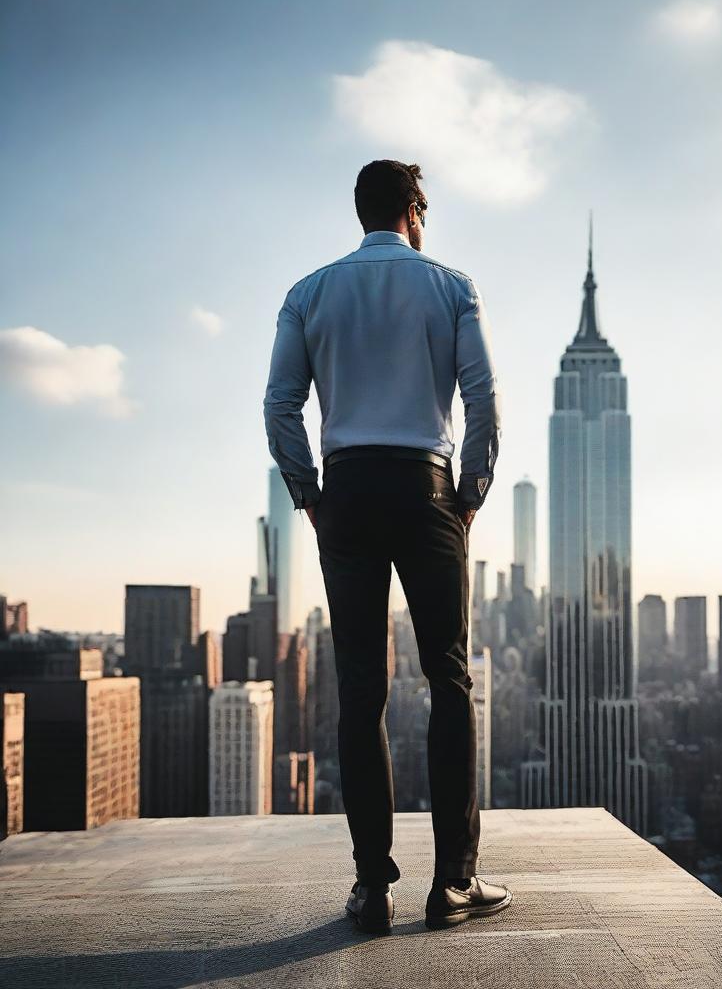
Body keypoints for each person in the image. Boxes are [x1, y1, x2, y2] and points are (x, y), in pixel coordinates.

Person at [262, 159, 511, 933]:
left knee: (361, 687)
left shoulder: (308, 293)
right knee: (448, 678)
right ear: (410, 209)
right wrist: (469, 494)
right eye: (425, 208)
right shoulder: (451, 285)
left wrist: (307, 494)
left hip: (348, 490)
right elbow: (483, 399)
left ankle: (372, 888)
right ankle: (453, 883)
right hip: (425, 487)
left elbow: (280, 406)